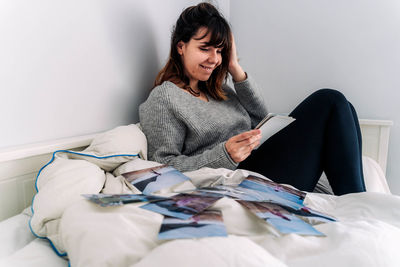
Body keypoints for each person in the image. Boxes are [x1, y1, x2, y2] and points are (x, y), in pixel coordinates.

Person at [139, 2, 365, 195]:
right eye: (205, 48)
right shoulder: (165, 97)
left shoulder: (221, 92)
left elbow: (260, 120)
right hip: (239, 179)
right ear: (181, 46)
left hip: (259, 163)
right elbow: (163, 166)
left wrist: (235, 68)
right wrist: (225, 154)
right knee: (329, 101)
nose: (213, 59)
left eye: (219, 51)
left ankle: (357, 200)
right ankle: (359, 204)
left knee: (346, 108)